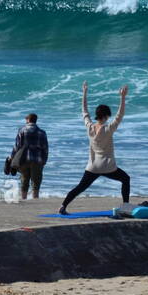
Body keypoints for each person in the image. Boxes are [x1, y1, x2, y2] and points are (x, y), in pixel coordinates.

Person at [58, 82, 131, 214]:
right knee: (126, 179)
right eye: (108, 116)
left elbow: (84, 111)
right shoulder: (108, 129)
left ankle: (63, 206)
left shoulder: (89, 127)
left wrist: (84, 92)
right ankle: (125, 205)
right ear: (106, 116)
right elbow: (120, 116)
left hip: (92, 166)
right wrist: (122, 97)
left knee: (80, 187)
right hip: (108, 167)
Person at [10, 113, 48, 200]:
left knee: (24, 180)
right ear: (35, 120)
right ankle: (35, 198)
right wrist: (44, 160)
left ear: (27, 120)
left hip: (24, 159)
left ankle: (24, 198)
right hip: (37, 160)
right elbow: (45, 148)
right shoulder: (42, 132)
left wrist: (12, 158)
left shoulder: (22, 131)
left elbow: (17, 146)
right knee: (36, 182)